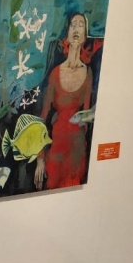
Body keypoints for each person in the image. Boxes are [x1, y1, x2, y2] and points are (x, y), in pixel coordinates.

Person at [34, 12, 100, 189]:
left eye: (81, 25)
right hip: (55, 150)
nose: (77, 29)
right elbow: (42, 119)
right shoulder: (55, 73)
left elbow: (87, 118)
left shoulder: (88, 74)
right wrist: (40, 159)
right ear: (67, 33)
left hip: (78, 153)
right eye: (73, 25)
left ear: (85, 35)